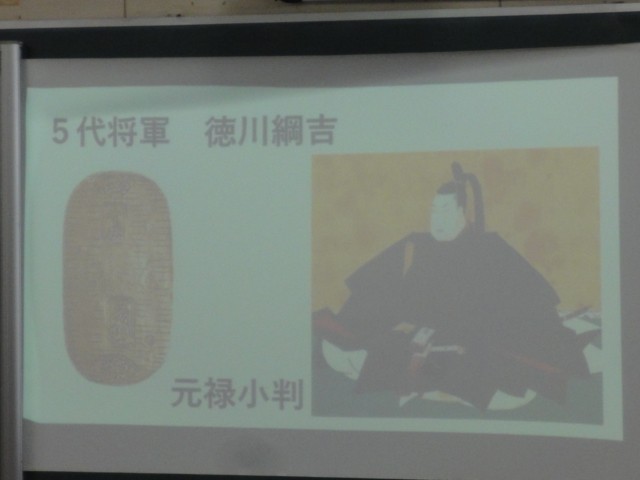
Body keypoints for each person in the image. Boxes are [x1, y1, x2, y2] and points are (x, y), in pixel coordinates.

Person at [314, 163, 594, 410]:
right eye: (433, 211)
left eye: (445, 211)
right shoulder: (418, 246)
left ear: (462, 212)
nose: (437, 219)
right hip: (421, 338)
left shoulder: (490, 248)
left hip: (469, 343)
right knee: (360, 347)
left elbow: (526, 296)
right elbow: (379, 291)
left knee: (490, 370)